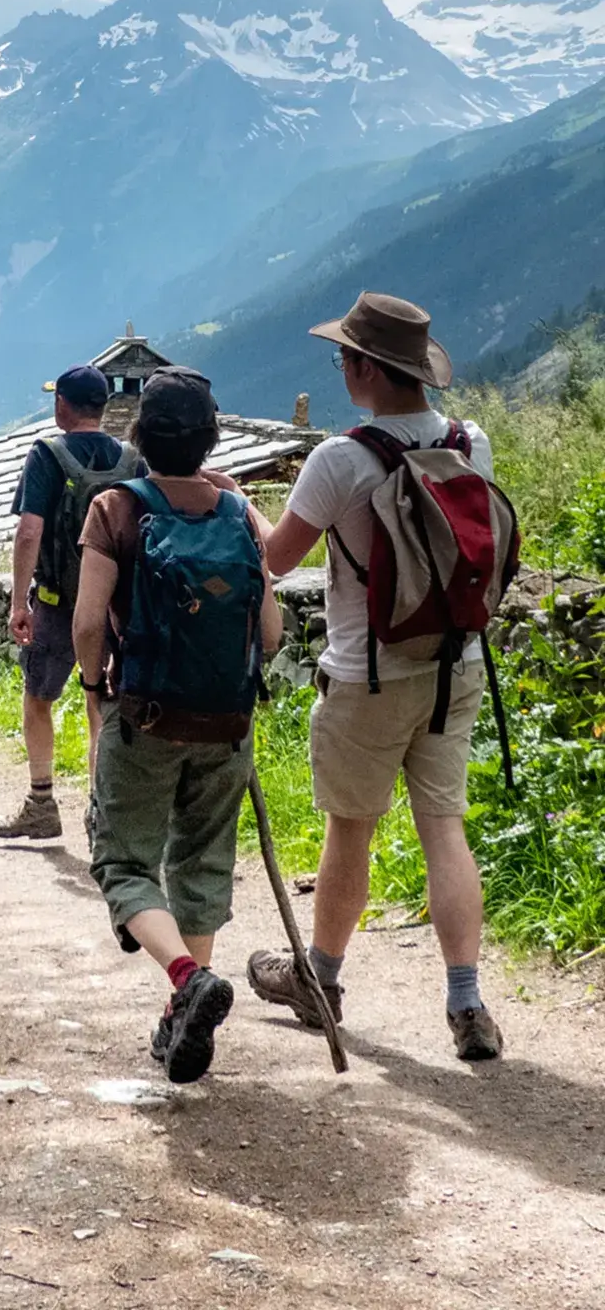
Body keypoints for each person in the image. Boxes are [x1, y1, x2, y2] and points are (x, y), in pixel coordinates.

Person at [247, 292, 506, 1062]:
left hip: (368, 674)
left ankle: (318, 979)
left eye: (344, 360)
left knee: (350, 830)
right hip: (453, 666)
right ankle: (467, 1002)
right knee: (444, 830)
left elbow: (276, 557)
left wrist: (243, 507)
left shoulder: (341, 458)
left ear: (365, 368)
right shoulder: (471, 442)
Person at [73, 367, 282, 1083]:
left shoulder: (115, 509)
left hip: (147, 718)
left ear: (140, 437)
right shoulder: (238, 513)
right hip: (226, 722)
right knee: (200, 863)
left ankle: (188, 979)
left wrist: (95, 686)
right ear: (211, 438)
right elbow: (274, 633)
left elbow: (88, 622)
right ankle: (180, 1012)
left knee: (122, 862)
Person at [0, 364, 136, 842]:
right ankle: (100, 814)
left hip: (56, 603)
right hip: (115, 605)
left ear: (62, 406)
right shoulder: (130, 458)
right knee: (101, 703)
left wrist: (19, 602)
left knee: (38, 700)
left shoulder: (47, 455)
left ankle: (41, 803)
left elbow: (30, 530)